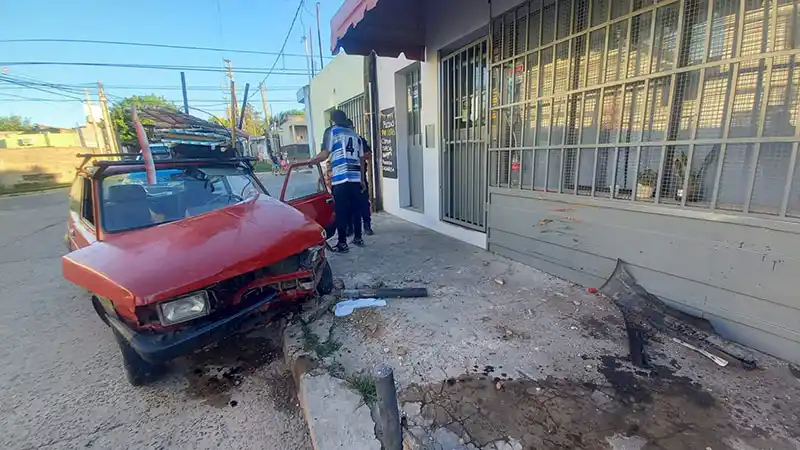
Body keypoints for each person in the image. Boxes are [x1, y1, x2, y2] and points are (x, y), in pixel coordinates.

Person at [306, 110, 366, 253]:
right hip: (355, 177)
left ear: (333, 120)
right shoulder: (355, 135)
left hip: (340, 178)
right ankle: (358, 237)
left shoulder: (332, 131)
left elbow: (325, 153)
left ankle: (342, 243)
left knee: (341, 211)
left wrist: (311, 160)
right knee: (356, 209)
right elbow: (362, 159)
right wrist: (362, 179)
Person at [344, 119, 374, 236]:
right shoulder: (339, 141)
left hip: (359, 176)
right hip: (346, 178)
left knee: (363, 203)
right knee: (348, 205)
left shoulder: (359, 140)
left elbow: (369, 155)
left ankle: (367, 225)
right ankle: (350, 228)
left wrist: (360, 155)